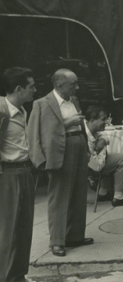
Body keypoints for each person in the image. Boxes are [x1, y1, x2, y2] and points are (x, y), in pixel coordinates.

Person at [27, 69, 92, 256]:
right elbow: (33, 134)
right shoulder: (41, 104)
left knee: (79, 193)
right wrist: (39, 160)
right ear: (59, 85)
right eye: (74, 84)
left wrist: (87, 148)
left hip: (78, 147)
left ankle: (75, 236)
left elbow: (81, 126)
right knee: (59, 197)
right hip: (59, 152)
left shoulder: (74, 100)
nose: (77, 87)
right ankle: (57, 241)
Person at [0, 67, 36, 282]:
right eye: (31, 87)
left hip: (24, 172)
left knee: (23, 228)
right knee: (8, 230)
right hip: (8, 175)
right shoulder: (2, 111)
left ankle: (17, 275)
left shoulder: (21, 110)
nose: (35, 90)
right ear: (18, 89)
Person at [84, 105, 123, 207]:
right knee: (122, 159)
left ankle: (103, 192)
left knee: (110, 158)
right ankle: (118, 197)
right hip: (88, 170)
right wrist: (102, 148)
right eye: (103, 119)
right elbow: (97, 167)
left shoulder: (90, 128)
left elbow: (105, 136)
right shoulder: (86, 136)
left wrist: (102, 140)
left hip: (92, 163)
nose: (106, 122)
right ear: (92, 120)